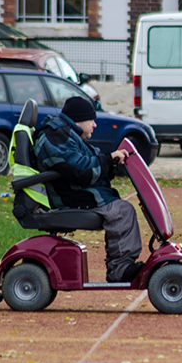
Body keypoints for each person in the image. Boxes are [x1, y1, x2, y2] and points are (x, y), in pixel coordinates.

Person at [33, 96, 144, 283]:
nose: (94, 125)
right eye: (91, 120)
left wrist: (111, 164)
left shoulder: (66, 133)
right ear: (78, 120)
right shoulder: (56, 135)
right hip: (72, 198)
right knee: (122, 211)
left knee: (122, 208)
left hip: (76, 193)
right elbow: (79, 170)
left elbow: (86, 162)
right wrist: (108, 160)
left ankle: (122, 267)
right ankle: (120, 271)